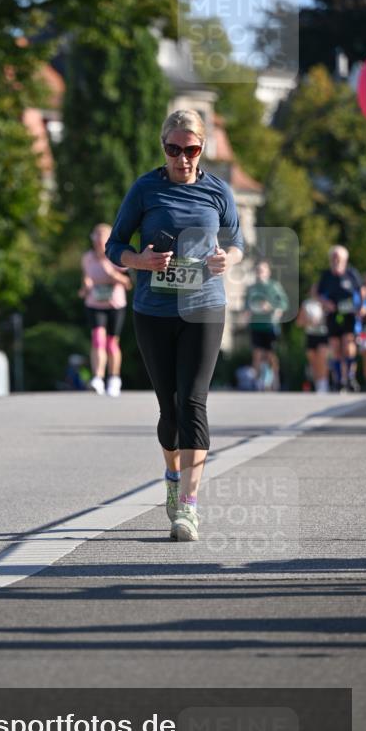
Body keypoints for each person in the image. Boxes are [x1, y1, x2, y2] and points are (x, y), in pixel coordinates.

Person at [106, 109, 244, 542]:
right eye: (174, 149)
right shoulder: (146, 189)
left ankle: (188, 505)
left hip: (204, 306)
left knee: (193, 402)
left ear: (202, 149)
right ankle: (172, 475)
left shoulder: (218, 191)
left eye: (191, 149)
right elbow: (114, 245)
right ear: (163, 147)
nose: (182, 158)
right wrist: (140, 261)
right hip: (155, 309)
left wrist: (228, 259)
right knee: (169, 408)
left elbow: (237, 241)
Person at [79, 223, 132, 397]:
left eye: (102, 241)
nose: (99, 244)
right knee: (97, 340)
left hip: (115, 304)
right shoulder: (88, 258)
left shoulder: (117, 256)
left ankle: (114, 378)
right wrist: (85, 286)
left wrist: (112, 274)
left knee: (111, 343)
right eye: (96, 240)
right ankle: (97, 378)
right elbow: (85, 282)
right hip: (94, 304)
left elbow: (128, 283)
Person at [317, 245, 363, 393]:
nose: (336, 260)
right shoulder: (326, 275)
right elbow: (318, 293)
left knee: (348, 344)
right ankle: (338, 379)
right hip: (333, 315)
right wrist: (326, 303)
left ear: (345, 259)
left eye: (339, 257)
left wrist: (360, 307)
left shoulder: (351, 273)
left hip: (349, 314)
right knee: (335, 346)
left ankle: (350, 376)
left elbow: (361, 290)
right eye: (334, 257)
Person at [243, 260, 288, 391]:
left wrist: (272, 307)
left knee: (270, 355)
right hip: (256, 325)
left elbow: (284, 303)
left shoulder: (274, 286)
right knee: (257, 354)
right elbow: (246, 305)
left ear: (268, 272)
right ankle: (258, 383)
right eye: (257, 271)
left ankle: (274, 381)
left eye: (262, 270)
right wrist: (247, 313)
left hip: (270, 325)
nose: (259, 273)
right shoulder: (251, 288)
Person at [295, 287, 330, 392]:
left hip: (323, 334)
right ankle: (317, 384)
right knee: (313, 362)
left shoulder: (325, 302)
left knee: (322, 359)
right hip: (311, 335)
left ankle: (324, 384)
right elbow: (299, 322)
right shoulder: (306, 304)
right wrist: (307, 321)